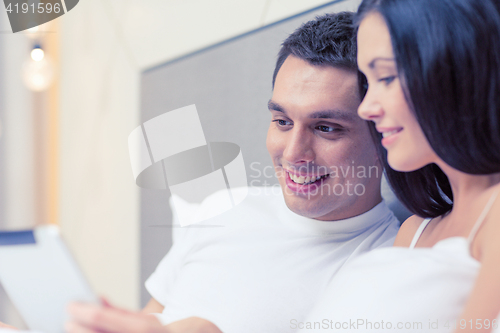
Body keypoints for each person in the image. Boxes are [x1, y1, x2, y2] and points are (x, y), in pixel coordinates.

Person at [63, 12, 402, 333]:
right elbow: (150, 319)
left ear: (382, 135)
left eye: (326, 128)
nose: (293, 153)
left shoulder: (389, 267)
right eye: (282, 122)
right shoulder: (223, 208)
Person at [300, 0, 500, 332]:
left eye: (387, 77)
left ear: (456, 71)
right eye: (368, 81)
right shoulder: (414, 233)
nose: (366, 107)